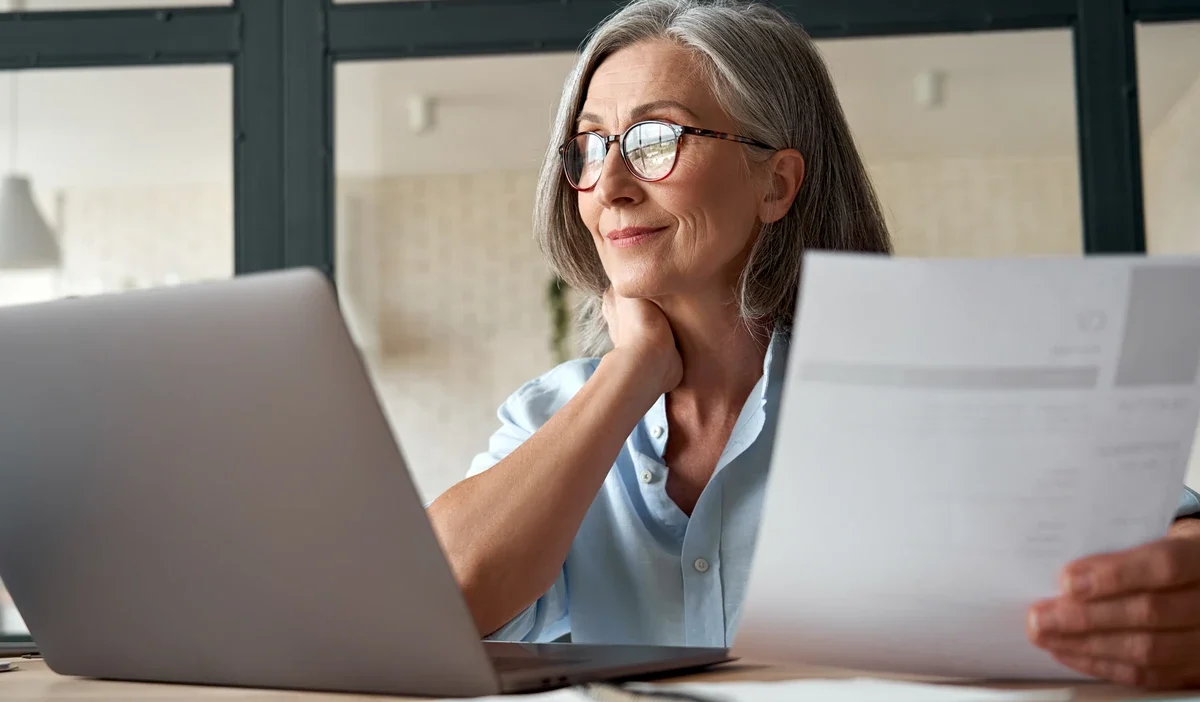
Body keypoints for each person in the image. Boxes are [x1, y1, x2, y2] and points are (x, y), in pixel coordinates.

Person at [427, 0, 1200, 690]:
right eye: (591, 147)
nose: (611, 185)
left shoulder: (917, 384)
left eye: (656, 140)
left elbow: (1164, 533)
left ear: (776, 184)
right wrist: (630, 372)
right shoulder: (552, 415)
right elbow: (437, 602)